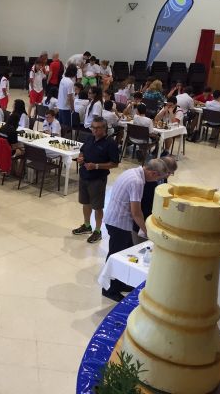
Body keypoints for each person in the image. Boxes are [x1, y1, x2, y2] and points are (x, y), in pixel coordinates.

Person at [101, 160, 169, 301]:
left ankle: (119, 283)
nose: (156, 181)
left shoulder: (132, 172)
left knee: (124, 253)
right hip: (118, 222)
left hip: (115, 218)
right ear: (153, 173)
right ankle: (108, 289)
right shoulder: (137, 182)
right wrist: (147, 231)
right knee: (116, 255)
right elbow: (136, 212)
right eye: (158, 178)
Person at [72, 117, 120, 244]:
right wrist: (81, 158)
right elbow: (82, 151)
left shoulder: (110, 143)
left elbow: (115, 163)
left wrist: (96, 166)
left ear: (104, 128)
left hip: (97, 179)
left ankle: (98, 231)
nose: (94, 130)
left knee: (97, 207)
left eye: (97, 128)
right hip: (84, 175)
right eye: (93, 127)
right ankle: (87, 225)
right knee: (85, 203)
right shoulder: (90, 138)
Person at [133, 156, 177, 245]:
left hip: (153, 214)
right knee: (136, 243)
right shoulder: (145, 180)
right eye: (168, 172)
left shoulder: (163, 178)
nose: (168, 175)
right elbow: (138, 207)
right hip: (141, 216)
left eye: (171, 173)